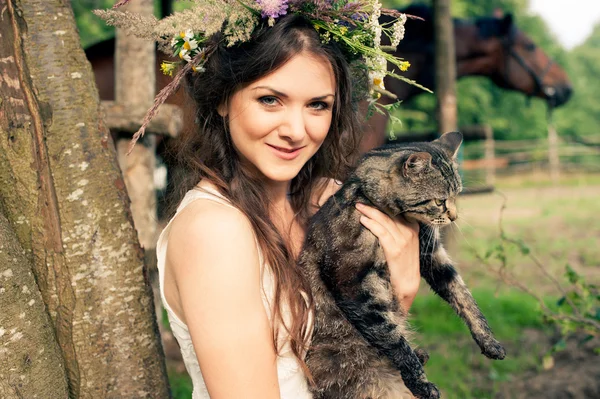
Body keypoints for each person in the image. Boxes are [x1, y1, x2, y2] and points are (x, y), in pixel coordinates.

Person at [98, 2, 420, 397]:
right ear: (222, 98)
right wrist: (398, 294)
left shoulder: (323, 205)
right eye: (270, 100)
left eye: (317, 105)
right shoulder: (215, 230)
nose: (296, 130)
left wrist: (392, 300)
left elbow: (350, 373)